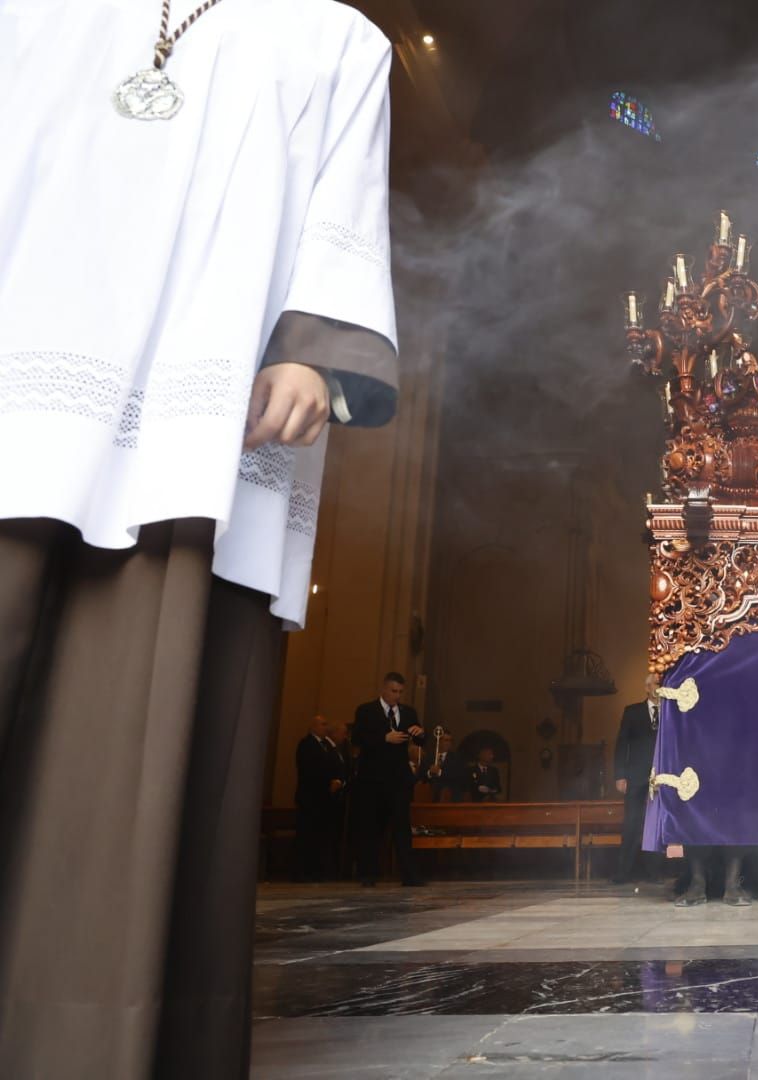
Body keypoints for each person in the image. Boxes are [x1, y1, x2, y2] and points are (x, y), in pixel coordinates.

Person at [0, 3, 397, 1076]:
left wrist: (315, 350)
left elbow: (343, 214)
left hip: (197, 428)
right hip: (22, 386)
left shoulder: (335, 38)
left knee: (135, 769)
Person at [351, 673, 427, 887]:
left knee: (402, 827)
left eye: (400, 692)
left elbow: (420, 738)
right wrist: (384, 738)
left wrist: (420, 733)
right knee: (372, 827)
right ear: (384, 689)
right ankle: (368, 874)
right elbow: (357, 738)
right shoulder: (366, 711)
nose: (397, 695)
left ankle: (410, 875)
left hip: (399, 779)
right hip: (373, 779)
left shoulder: (408, 712)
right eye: (394, 691)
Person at [613, 675, 660, 883]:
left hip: (661, 776)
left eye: (661, 684)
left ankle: (655, 873)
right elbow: (622, 743)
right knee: (632, 823)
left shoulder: (671, 713)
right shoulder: (632, 712)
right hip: (636, 775)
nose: (659, 688)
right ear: (647, 687)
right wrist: (620, 774)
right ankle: (623, 872)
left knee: (656, 824)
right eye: (656, 684)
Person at [294, 715, 348, 880]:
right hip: (311, 798)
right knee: (307, 836)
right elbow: (309, 769)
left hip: (325, 800)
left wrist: (338, 781)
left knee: (321, 837)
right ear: (313, 727)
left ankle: (319, 871)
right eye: (323, 724)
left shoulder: (326, 746)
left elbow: (335, 767)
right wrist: (328, 782)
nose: (326, 727)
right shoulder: (306, 744)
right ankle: (304, 872)